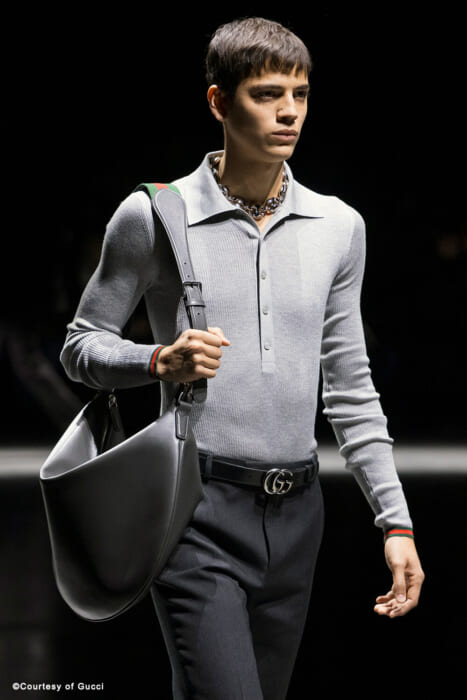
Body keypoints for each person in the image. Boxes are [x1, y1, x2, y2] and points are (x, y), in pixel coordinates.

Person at [60, 17, 424, 700]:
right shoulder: (154, 215)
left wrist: (394, 521)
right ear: (219, 102)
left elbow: (350, 387)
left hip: (300, 514)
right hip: (193, 507)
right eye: (266, 94)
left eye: (300, 94)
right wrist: (157, 360)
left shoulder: (338, 226)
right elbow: (81, 345)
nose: (289, 112)